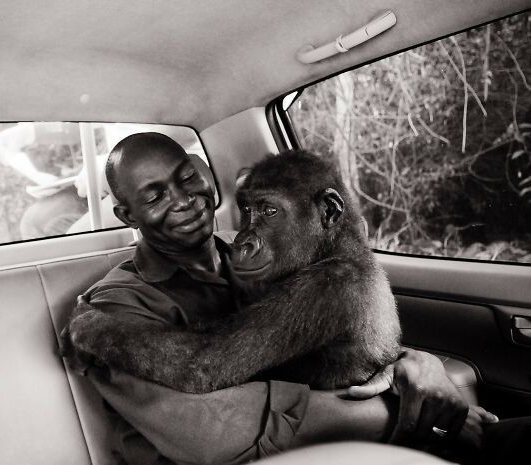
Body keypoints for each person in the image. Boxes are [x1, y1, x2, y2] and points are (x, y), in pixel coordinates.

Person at [62, 132, 518, 464]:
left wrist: (413, 364)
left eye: (186, 179)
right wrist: (404, 413)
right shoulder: (114, 306)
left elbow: (332, 346)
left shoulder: (265, 256)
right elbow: (214, 431)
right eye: (156, 195)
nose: (185, 200)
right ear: (127, 214)